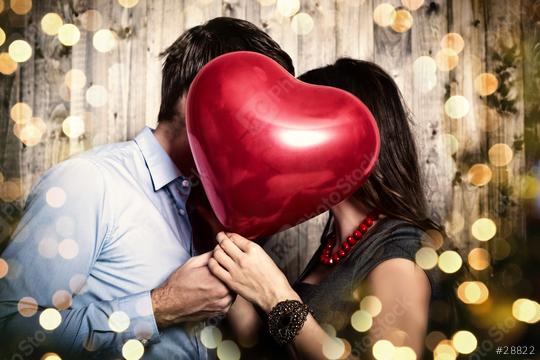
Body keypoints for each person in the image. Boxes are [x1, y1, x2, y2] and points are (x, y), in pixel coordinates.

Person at [0, 17, 294, 359]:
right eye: (256, 106)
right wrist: (159, 308)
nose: (266, 130)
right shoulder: (88, 182)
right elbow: (8, 332)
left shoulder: (212, 207)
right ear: (193, 97)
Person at [209, 59, 443, 359]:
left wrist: (276, 296)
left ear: (343, 139)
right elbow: (270, 346)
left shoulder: (400, 251)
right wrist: (233, 268)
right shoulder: (334, 244)